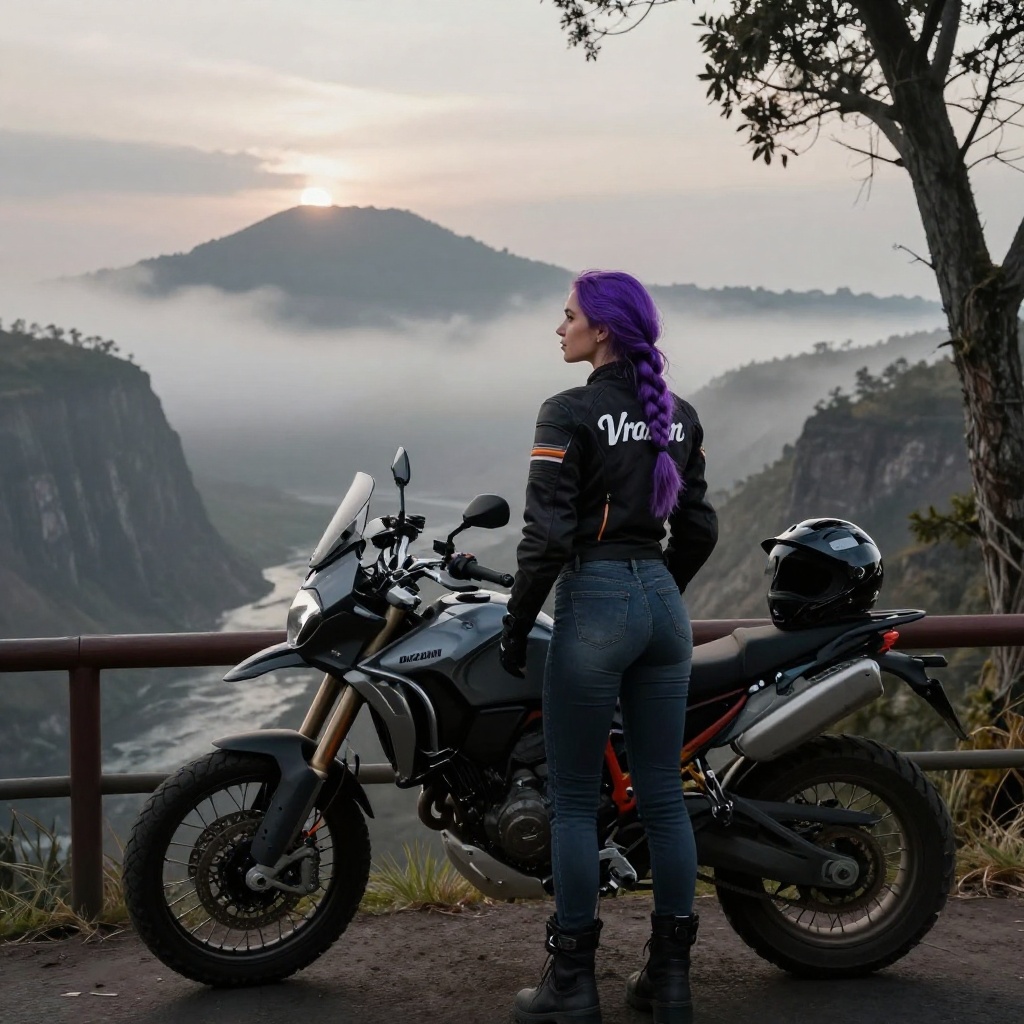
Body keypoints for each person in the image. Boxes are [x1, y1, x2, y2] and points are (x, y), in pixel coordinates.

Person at [499, 270, 718, 1024]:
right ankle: (670, 984)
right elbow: (699, 529)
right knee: (663, 795)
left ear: (601, 330)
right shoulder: (681, 416)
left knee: (570, 803)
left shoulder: (567, 412)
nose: (559, 329)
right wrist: (657, 590)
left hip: (594, 602)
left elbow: (548, 536)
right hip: (662, 606)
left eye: (568, 317)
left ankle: (572, 986)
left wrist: (517, 623)